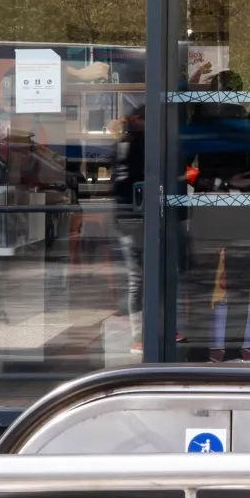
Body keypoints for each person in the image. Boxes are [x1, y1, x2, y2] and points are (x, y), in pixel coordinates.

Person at [110, 105, 145, 352]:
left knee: (140, 278)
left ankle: (141, 335)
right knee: (140, 278)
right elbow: (126, 184)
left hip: (127, 218)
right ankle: (141, 337)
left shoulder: (123, 144)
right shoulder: (136, 145)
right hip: (135, 217)